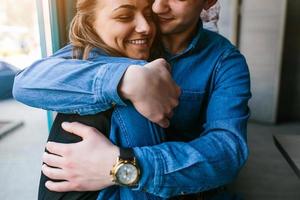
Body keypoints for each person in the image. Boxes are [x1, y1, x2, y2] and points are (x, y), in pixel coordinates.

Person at [13, 0, 251, 199]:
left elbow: (228, 151)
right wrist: (127, 80)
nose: (157, 7)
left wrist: (124, 165)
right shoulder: (119, 41)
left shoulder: (225, 61)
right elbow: (28, 81)